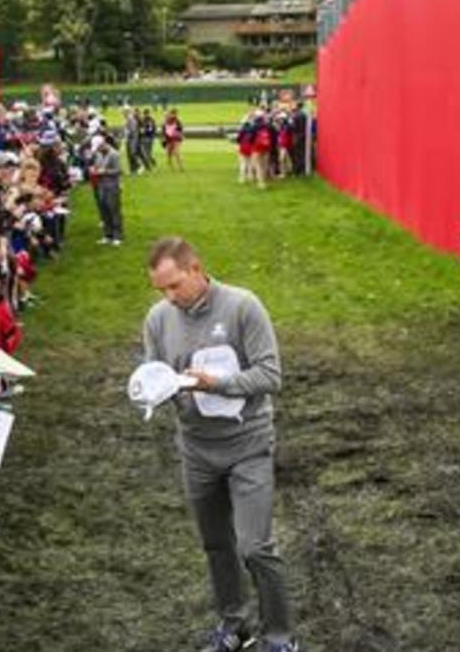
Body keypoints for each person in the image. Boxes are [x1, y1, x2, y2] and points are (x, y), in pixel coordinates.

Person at [141, 237, 297, 652]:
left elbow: (271, 376)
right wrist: (151, 390)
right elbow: (155, 372)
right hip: (196, 449)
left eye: (174, 286)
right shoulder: (158, 318)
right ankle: (235, 627)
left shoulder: (244, 306)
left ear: (196, 269)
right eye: (161, 290)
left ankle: (280, 638)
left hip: (248, 444)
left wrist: (218, 384)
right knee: (216, 544)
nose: (168, 297)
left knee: (255, 547)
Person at [89, 135, 124, 246]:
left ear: (103, 144)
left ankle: (118, 235)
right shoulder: (99, 155)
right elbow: (96, 166)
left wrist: (104, 171)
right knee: (104, 211)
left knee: (114, 210)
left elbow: (118, 170)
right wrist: (93, 169)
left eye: (99, 148)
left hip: (112, 186)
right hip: (101, 186)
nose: (98, 150)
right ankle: (107, 235)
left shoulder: (114, 154)